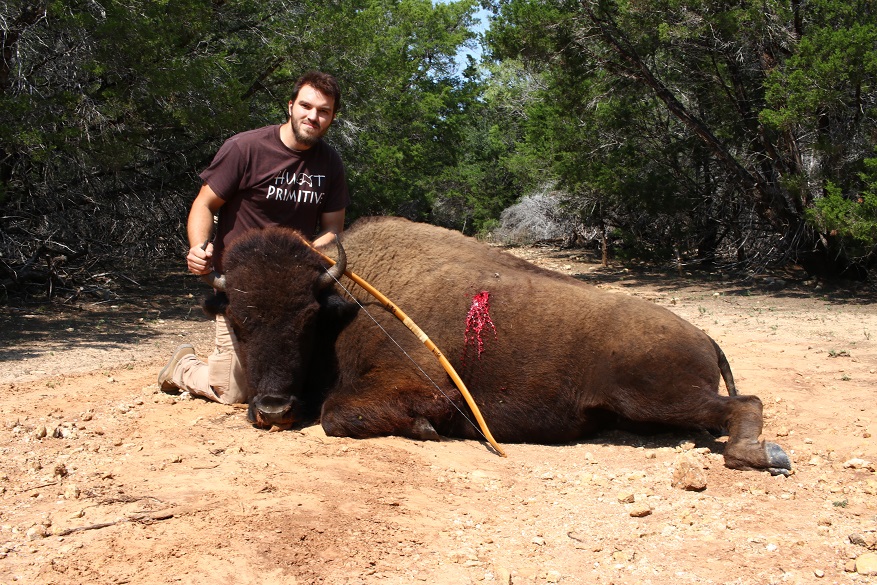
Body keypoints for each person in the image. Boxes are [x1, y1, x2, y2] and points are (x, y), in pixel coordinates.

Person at [157, 71, 350, 404]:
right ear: (290, 106)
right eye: (306, 106)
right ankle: (184, 367)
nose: (313, 117)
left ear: (332, 117)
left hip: (294, 293)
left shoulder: (330, 163)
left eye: (324, 111)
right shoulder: (245, 148)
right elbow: (204, 203)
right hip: (244, 290)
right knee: (234, 393)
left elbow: (333, 231)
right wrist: (197, 249)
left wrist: (300, 255)